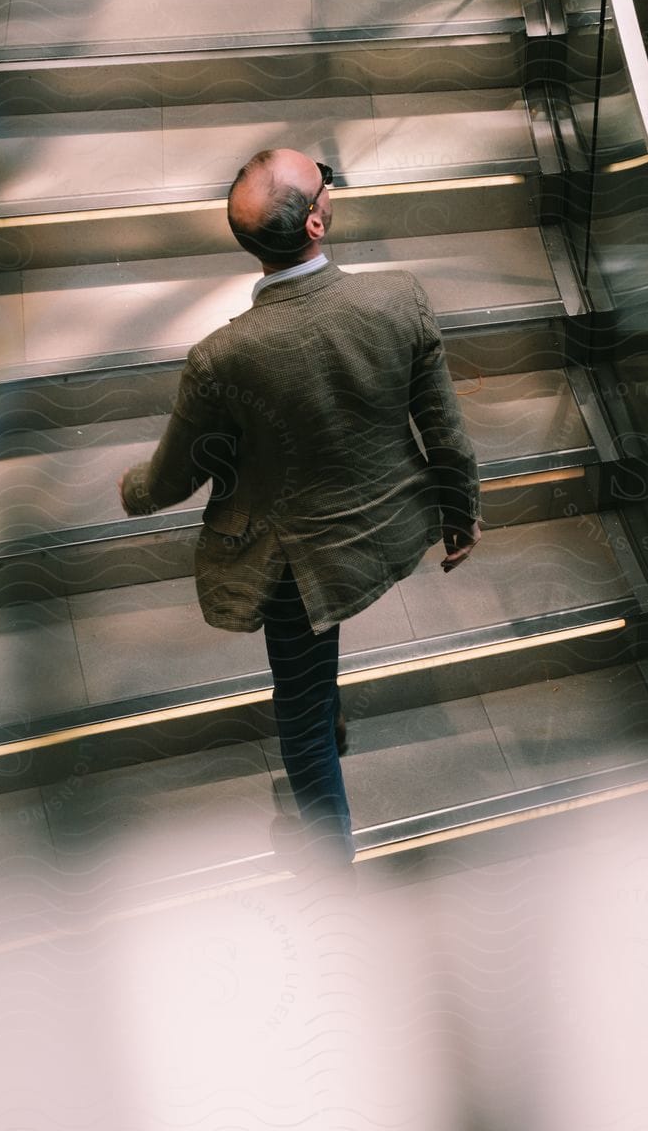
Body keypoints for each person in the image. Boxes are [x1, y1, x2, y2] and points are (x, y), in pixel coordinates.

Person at [119, 146, 482, 869]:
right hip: (381, 530)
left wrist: (132, 490)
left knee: (301, 706)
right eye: (324, 178)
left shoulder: (224, 358)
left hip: (296, 568)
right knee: (317, 676)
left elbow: (173, 479)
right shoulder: (398, 299)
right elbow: (443, 427)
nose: (329, 180)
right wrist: (460, 510)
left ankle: (328, 859)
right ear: (317, 223)